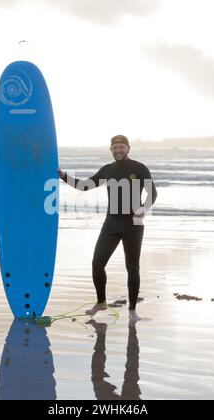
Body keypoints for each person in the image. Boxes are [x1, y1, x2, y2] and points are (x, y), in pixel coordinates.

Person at [58, 135, 157, 322]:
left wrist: (144, 207)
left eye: (122, 147)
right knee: (97, 263)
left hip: (133, 225)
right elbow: (84, 186)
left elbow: (153, 192)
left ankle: (132, 311)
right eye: (115, 148)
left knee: (132, 267)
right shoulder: (108, 170)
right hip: (111, 223)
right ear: (111, 150)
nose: (118, 150)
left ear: (128, 149)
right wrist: (64, 177)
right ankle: (101, 302)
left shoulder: (139, 168)